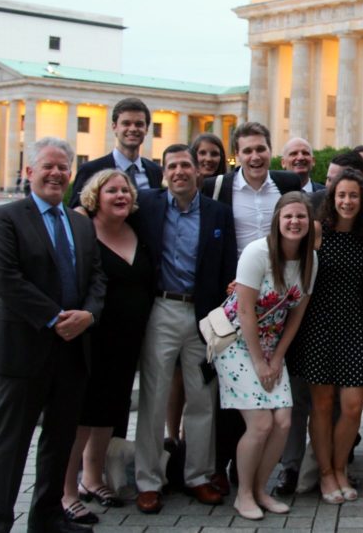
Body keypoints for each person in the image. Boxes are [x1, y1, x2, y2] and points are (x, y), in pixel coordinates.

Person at [0, 137, 106, 533]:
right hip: (22, 348)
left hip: (71, 351)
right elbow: (7, 279)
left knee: (59, 441)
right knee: (8, 445)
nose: (56, 173)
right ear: (28, 172)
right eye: (47, 166)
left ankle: (48, 518)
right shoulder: (6, 218)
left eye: (63, 167)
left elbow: (97, 277)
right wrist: (55, 319)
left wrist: (89, 315)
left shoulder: (81, 224)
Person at [132, 144, 237, 514]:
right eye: (172, 166)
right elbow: (97, 218)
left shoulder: (218, 213)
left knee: (203, 397)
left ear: (198, 172)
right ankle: (148, 481)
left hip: (203, 314)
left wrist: (224, 315)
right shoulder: (145, 205)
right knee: (154, 397)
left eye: (185, 165)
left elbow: (228, 266)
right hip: (161, 308)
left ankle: (198, 475)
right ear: (164, 173)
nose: (179, 171)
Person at [201, 121, 303, 492]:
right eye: (247, 151)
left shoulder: (289, 185)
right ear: (237, 155)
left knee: (265, 390)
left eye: (261, 148)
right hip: (235, 300)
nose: (255, 156)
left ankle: (251, 472)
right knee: (230, 393)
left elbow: (306, 227)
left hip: (277, 305)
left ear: (270, 150)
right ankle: (221, 466)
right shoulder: (219, 187)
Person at [214, 192, 318, 520]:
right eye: (288, 216)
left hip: (272, 345)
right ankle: (243, 494)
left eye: (301, 216)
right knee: (260, 423)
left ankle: (260, 489)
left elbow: (296, 316)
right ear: (277, 219)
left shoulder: (310, 260)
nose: (294, 222)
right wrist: (259, 361)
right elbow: (244, 310)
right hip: (236, 343)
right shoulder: (257, 252)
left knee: (284, 421)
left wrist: (276, 358)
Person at [60, 170, 156, 525]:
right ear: (94, 198)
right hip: (92, 340)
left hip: (128, 340)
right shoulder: (82, 231)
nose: (120, 196)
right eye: (111, 190)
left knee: (110, 414)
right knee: (83, 417)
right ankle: (67, 492)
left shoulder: (138, 231)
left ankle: (94, 477)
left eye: (125, 191)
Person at [289, 169, 363, 503]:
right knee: (323, 406)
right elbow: (294, 271)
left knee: (354, 406)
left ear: (362, 200)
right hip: (317, 326)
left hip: (353, 327)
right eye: (341, 195)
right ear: (332, 198)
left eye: (353, 195)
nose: (346, 201)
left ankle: (340, 468)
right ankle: (326, 475)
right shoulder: (317, 232)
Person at [71, 98, 163, 207]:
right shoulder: (90, 170)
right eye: (126, 123)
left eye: (139, 124)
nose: (133, 129)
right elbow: (76, 212)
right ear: (114, 127)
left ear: (146, 129)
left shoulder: (155, 171)